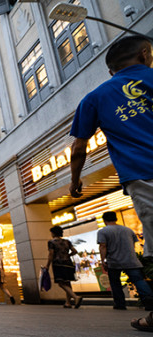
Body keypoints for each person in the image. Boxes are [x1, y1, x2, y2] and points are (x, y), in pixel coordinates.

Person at [69, 36, 153, 259]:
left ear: (111, 72)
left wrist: (74, 181)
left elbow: (78, 148)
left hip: (142, 176)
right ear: (145, 54)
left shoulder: (94, 98)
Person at [98, 211, 153, 312]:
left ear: (104, 220)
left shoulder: (103, 231)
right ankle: (149, 300)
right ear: (116, 219)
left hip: (114, 262)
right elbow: (134, 244)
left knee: (115, 283)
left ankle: (120, 304)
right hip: (131, 260)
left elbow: (103, 246)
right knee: (139, 280)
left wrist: (103, 261)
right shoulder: (128, 230)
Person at [44, 226, 82, 309]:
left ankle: (76, 297)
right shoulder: (67, 241)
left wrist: (47, 265)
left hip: (58, 264)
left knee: (61, 282)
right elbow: (74, 251)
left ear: (53, 233)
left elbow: (51, 254)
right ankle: (68, 303)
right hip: (68, 263)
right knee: (67, 282)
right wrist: (68, 255)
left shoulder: (52, 242)